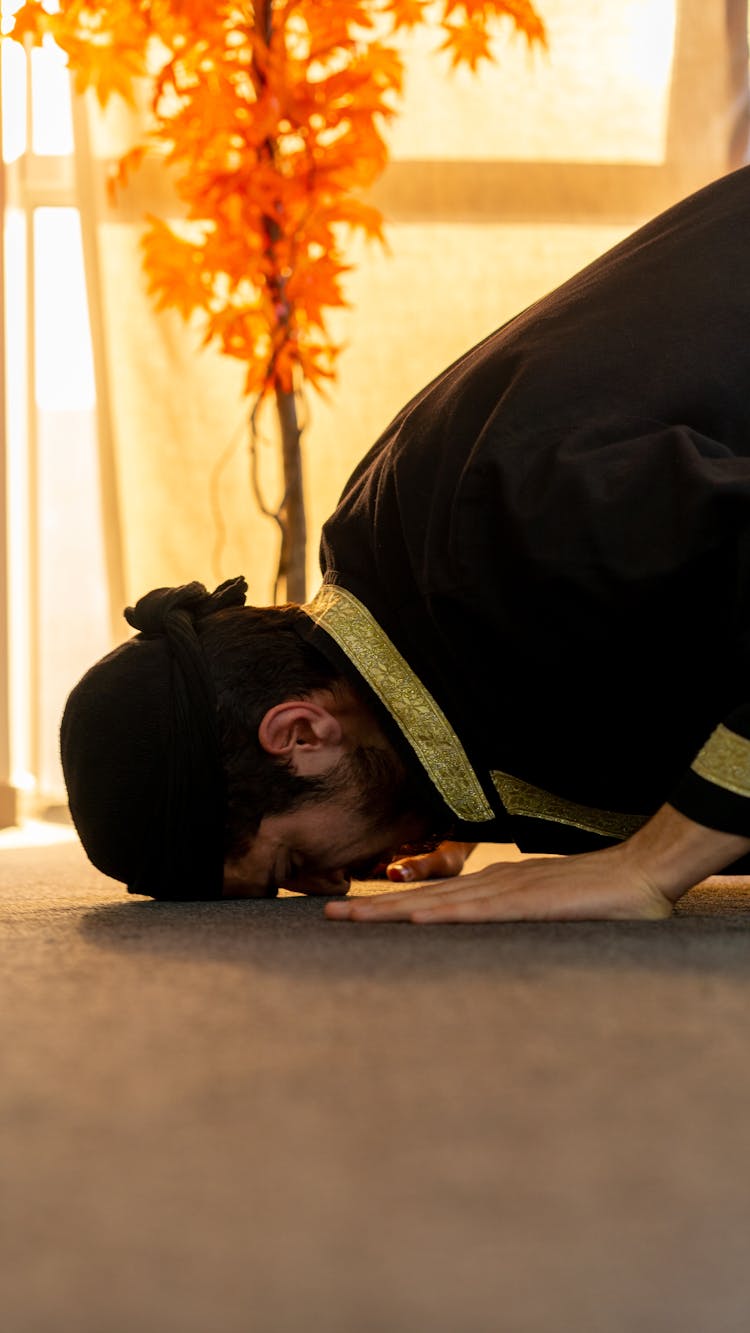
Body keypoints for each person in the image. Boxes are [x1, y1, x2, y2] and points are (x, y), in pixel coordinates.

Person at [61, 164, 750, 922]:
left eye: (293, 861)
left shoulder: (508, 524)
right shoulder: (407, 578)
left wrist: (653, 864)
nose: (327, 886)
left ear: (300, 730)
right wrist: (454, 804)